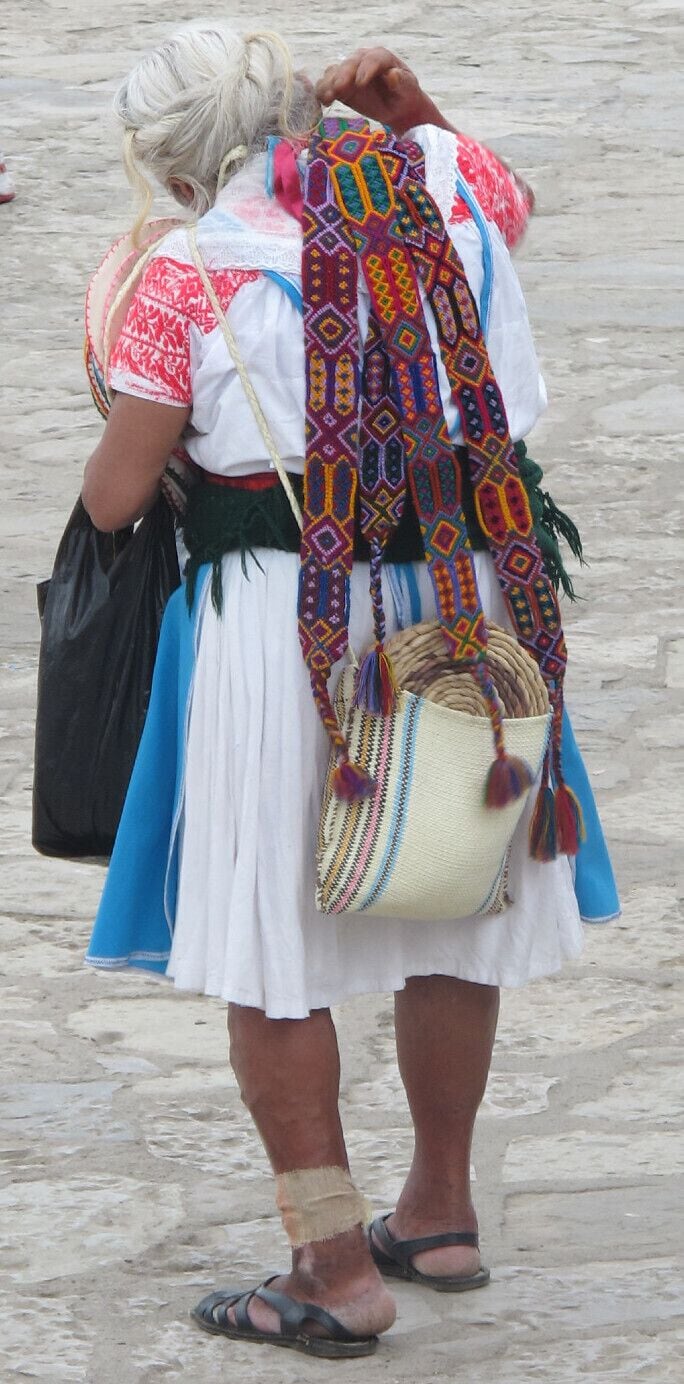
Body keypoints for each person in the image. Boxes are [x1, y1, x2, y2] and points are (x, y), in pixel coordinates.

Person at [82, 25, 619, 1359]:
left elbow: (116, 495)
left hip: (286, 628)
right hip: (464, 596)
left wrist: (101, 344)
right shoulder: (451, 206)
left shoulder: (179, 277)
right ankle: (437, 1211)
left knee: (273, 944)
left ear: (170, 157)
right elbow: (507, 192)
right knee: (455, 892)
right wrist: (413, 105)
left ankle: (330, 1265)